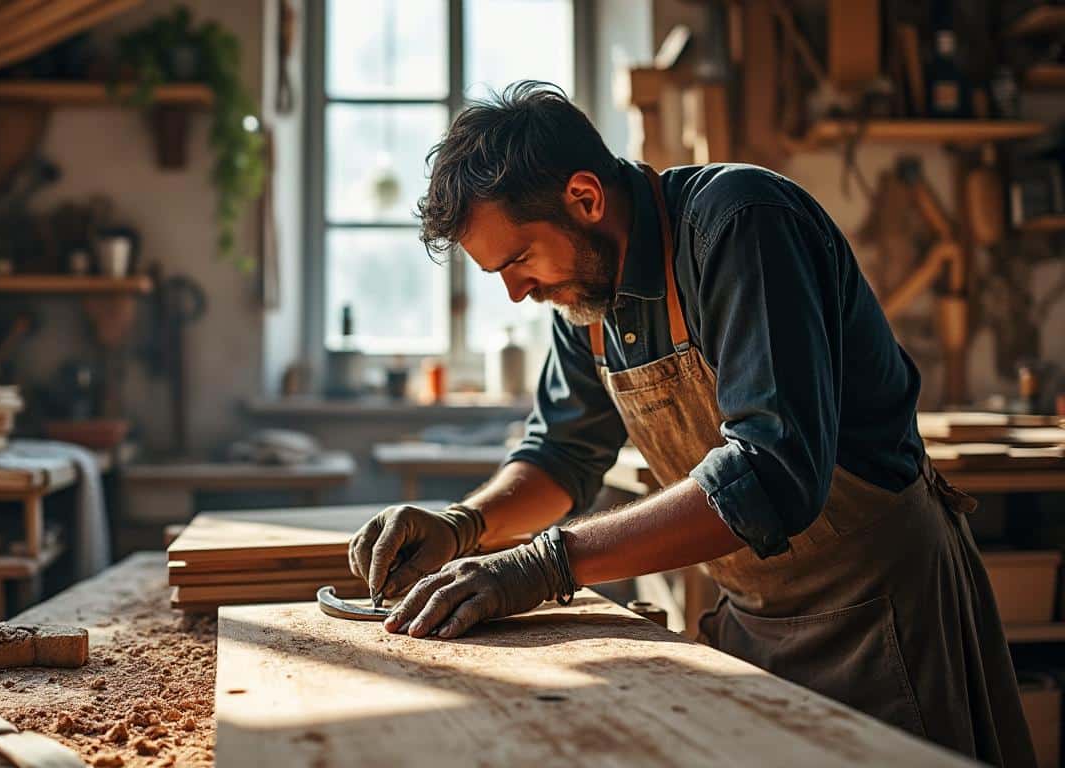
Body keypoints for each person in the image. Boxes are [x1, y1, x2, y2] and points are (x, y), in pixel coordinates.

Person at [347, 81, 1033, 765]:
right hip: (757, 621)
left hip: (883, 615)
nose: (517, 291)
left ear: (584, 199)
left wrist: (541, 564)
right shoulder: (584, 299)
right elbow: (562, 455)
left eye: (519, 259)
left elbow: (770, 472)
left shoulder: (740, 223)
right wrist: (462, 525)